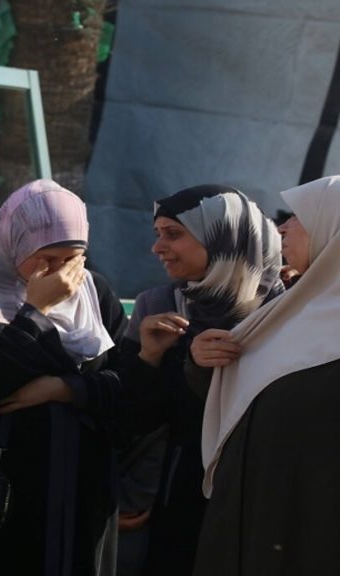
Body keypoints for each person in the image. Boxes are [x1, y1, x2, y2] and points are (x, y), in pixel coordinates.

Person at [0, 179, 127, 576]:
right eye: (47, 258)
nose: (60, 273)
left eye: (73, 259)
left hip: (79, 487)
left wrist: (65, 389)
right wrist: (34, 312)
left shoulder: (94, 293)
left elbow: (124, 384)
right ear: (15, 242)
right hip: (0, 488)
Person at [113, 185, 283, 576]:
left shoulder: (282, 312)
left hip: (260, 494)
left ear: (223, 237)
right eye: (158, 233)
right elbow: (131, 420)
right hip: (179, 497)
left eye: (173, 234)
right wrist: (149, 359)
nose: (158, 247)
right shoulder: (157, 307)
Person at [191, 175, 340, 575]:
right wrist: (203, 361)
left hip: (311, 534)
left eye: (300, 217)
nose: (283, 228)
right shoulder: (285, 311)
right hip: (251, 520)